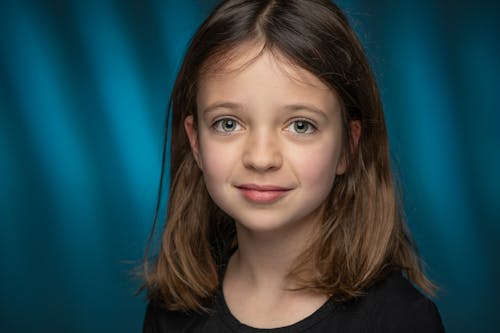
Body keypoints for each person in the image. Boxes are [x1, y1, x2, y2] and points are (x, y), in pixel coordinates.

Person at [141, 0, 445, 332]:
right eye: (228, 124)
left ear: (347, 147)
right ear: (196, 142)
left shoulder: (401, 320)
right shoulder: (171, 312)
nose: (261, 158)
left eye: (300, 125)